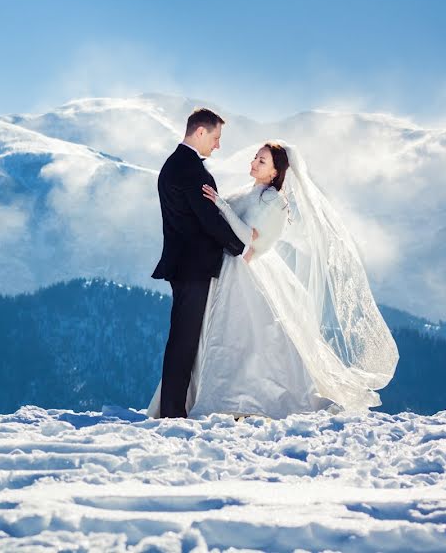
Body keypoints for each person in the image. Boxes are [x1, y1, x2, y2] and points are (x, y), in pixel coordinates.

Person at [146, 141, 398, 419]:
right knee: (218, 334)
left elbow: (248, 239)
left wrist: (221, 205)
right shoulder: (248, 193)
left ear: (275, 172)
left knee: (245, 335)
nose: (254, 163)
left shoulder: (274, 202)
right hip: (224, 269)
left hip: (243, 272)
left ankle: (241, 399)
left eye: (262, 161)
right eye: (255, 157)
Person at [151, 108, 247, 418]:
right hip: (193, 267)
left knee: (185, 337)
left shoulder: (176, 164)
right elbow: (209, 219)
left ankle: (174, 407)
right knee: (185, 339)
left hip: (184, 264)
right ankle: (172, 411)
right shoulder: (190, 168)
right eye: (216, 138)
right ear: (200, 132)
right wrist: (240, 247)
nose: (217, 146)